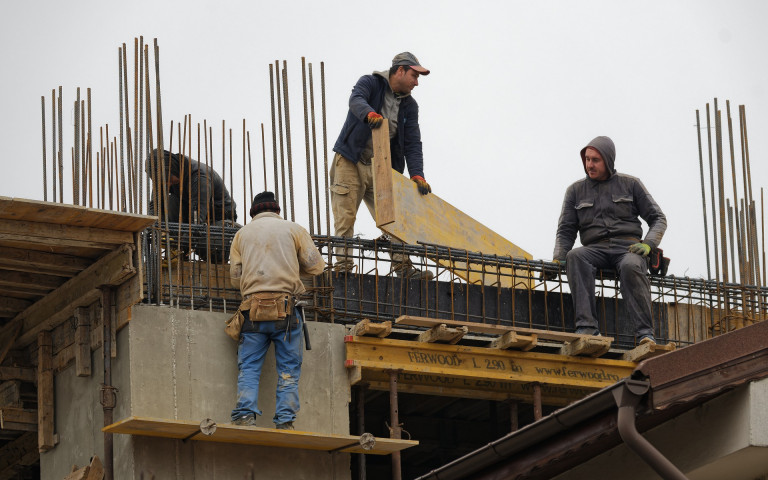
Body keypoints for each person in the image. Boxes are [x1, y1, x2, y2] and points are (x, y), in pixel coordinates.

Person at [552, 136, 667, 345]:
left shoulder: (631, 184)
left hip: (628, 248)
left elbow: (658, 218)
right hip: (594, 249)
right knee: (575, 256)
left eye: (595, 160)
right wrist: (558, 259)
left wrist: (648, 245)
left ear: (608, 160)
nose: (589, 165)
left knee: (632, 265)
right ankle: (587, 328)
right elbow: (566, 229)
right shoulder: (575, 191)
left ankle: (645, 335)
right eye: (587, 159)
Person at [330, 52, 432, 279]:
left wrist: (417, 174)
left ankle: (404, 270)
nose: (417, 82)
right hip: (351, 161)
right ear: (400, 70)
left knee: (393, 218)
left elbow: (412, 142)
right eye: (414, 76)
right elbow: (356, 100)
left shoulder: (410, 106)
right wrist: (369, 114)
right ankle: (344, 271)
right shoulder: (371, 83)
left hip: (381, 166)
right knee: (345, 218)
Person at [229, 191, 326, 430]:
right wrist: (291, 267)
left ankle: (245, 417)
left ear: (253, 213)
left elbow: (234, 279)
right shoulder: (294, 230)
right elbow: (316, 267)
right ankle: (285, 422)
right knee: (288, 370)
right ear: (277, 211)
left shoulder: (241, 235)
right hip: (286, 311)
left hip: (253, 312)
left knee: (249, 368)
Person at [146, 149, 238, 261]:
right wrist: (153, 228)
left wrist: (180, 246)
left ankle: (183, 249)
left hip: (217, 218)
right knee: (169, 203)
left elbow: (196, 218)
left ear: (173, 168)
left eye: (169, 179)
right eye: (163, 181)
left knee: (210, 248)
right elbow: (155, 206)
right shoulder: (163, 178)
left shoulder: (199, 176)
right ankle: (177, 251)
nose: (168, 184)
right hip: (189, 213)